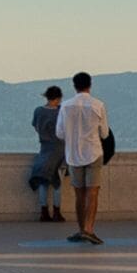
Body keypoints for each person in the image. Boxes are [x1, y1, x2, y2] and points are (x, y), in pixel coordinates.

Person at [56, 73, 113, 245]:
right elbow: (104, 133)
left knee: (79, 194)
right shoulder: (98, 105)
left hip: (73, 155)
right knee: (93, 192)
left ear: (74, 86)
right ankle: (89, 229)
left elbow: (59, 133)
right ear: (90, 85)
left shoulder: (65, 106)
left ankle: (81, 230)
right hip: (93, 153)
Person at [27, 87, 67, 224]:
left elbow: (35, 126)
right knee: (57, 183)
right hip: (59, 150)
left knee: (43, 181)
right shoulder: (61, 111)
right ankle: (57, 212)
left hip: (44, 149)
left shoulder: (38, 111)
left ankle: (44, 212)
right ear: (57, 98)